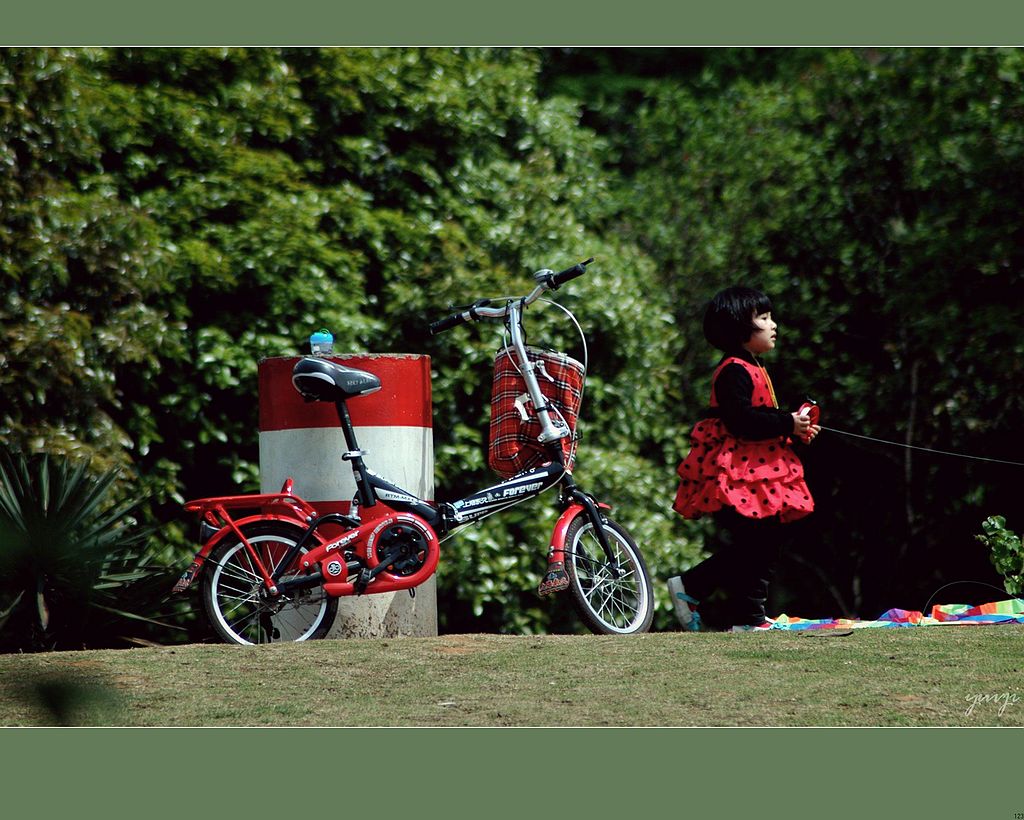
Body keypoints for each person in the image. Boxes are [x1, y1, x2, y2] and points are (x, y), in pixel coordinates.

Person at [667, 286, 819, 632]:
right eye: (763, 318)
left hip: (758, 468)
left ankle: (708, 594)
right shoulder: (733, 369)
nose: (773, 324)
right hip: (737, 471)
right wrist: (786, 422)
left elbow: (758, 418)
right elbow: (741, 421)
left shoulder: (754, 365)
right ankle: (737, 612)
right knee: (758, 542)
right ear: (740, 327)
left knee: (764, 542)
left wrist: (792, 427)